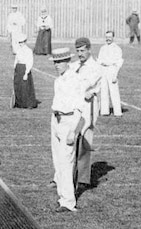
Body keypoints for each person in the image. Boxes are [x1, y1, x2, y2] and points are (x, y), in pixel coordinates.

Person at [49, 47, 86, 213]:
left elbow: (81, 108)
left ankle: (68, 202)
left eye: (60, 62)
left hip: (69, 121)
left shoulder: (75, 80)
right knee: (58, 162)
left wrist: (73, 131)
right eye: (55, 62)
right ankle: (62, 197)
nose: (57, 65)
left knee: (66, 162)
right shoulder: (59, 80)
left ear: (67, 62)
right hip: (56, 120)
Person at [71, 37, 104, 191]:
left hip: (88, 107)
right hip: (74, 106)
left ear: (89, 50)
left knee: (84, 141)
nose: (80, 53)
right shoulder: (75, 65)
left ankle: (83, 179)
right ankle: (66, 176)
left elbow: (85, 85)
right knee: (70, 141)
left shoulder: (95, 67)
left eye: (82, 50)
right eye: (77, 51)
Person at [97, 30, 124, 117]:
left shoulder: (117, 48)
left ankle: (117, 112)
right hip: (103, 70)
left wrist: (115, 74)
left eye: (110, 37)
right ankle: (104, 111)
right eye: (107, 37)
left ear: (113, 38)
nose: (108, 39)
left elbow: (119, 62)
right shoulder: (103, 48)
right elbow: (99, 60)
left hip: (112, 69)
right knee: (104, 91)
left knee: (114, 91)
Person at [12, 32, 37, 109]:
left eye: (22, 42)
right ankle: (19, 103)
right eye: (19, 42)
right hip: (18, 69)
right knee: (18, 86)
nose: (20, 44)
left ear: (25, 42)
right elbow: (16, 60)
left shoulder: (28, 51)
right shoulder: (18, 50)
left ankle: (27, 103)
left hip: (24, 69)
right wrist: (14, 70)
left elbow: (30, 62)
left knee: (25, 87)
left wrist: (26, 73)